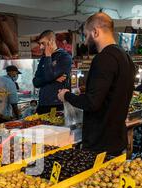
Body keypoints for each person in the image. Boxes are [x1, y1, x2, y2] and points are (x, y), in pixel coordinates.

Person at [58, 12, 135, 156]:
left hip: (100, 144)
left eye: (87, 35)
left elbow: (92, 102)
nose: (86, 42)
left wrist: (66, 95)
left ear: (95, 32)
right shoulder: (125, 57)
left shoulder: (103, 58)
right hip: (117, 139)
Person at [33, 30, 72, 115]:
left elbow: (48, 76)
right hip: (42, 104)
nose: (41, 47)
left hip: (57, 104)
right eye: (40, 44)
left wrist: (48, 56)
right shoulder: (43, 59)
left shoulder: (64, 57)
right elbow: (35, 82)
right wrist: (53, 79)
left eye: (43, 43)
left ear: (51, 41)